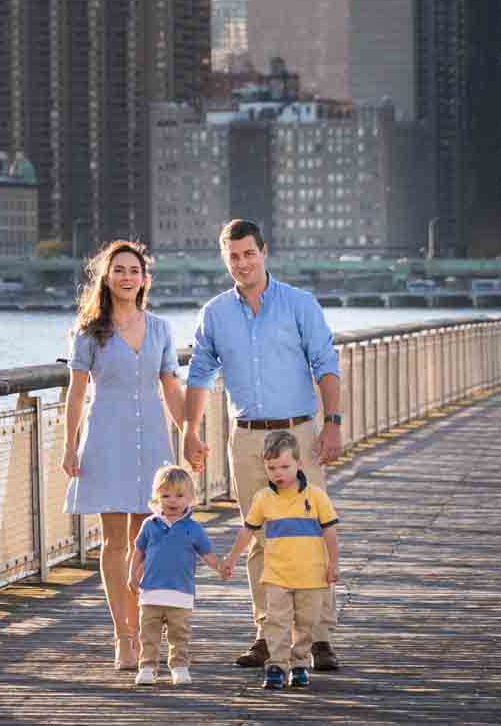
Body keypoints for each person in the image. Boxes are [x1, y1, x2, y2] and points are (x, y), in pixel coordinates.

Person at [181, 218, 345, 672]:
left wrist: (332, 424)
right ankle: (266, 634)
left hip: (299, 432)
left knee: (310, 531)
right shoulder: (214, 313)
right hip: (247, 435)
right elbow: (198, 374)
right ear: (225, 259)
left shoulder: (299, 304)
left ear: (264, 252)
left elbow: (326, 365)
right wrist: (189, 430)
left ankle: (319, 638)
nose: (242, 263)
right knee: (257, 535)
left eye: (249, 253)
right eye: (233, 256)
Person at [61, 239, 185, 670]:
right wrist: (69, 445)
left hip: (151, 440)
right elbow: (76, 392)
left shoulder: (162, 329)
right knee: (115, 542)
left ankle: (146, 630)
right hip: (105, 441)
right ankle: (124, 636)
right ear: (107, 278)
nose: (127, 276)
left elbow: (171, 386)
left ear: (145, 279)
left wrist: (189, 434)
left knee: (145, 543)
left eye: (134, 270)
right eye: (119, 270)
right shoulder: (88, 332)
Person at [218, 430, 340, 690]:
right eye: (272, 468)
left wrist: (333, 564)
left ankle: (299, 665)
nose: (278, 473)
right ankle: (276, 665)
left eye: (285, 466)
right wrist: (231, 558)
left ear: (298, 463)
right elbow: (248, 530)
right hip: (276, 575)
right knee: (277, 621)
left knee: (306, 623)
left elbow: (330, 531)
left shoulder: (316, 496)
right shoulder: (263, 498)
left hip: (311, 575)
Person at [128, 464, 223, 687]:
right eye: (166, 495)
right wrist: (132, 574)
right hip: (151, 591)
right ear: (156, 497)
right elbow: (138, 552)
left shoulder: (194, 528)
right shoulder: (149, 525)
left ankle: (179, 667)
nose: (172, 500)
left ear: (190, 497)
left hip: (181, 593)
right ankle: (147, 667)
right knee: (148, 634)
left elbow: (207, 554)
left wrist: (220, 567)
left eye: (179, 495)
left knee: (179, 634)